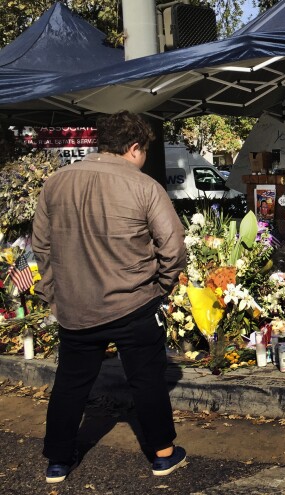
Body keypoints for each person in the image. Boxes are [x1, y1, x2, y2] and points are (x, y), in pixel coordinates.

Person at [32, 111, 188, 483]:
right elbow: (174, 247)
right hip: (133, 301)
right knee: (147, 379)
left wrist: (55, 293)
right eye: (144, 150)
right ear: (134, 147)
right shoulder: (143, 186)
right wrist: (160, 287)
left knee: (71, 383)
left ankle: (57, 461)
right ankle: (163, 455)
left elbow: (41, 245)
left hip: (76, 305)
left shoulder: (54, 184)